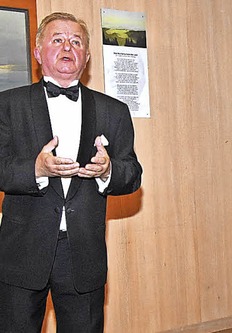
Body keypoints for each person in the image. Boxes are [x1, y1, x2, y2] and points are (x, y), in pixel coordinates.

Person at [0, 12, 143, 332]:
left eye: (76, 41)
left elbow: (132, 173)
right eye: (57, 39)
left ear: (87, 56)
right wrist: (35, 168)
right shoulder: (7, 105)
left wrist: (108, 170)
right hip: (22, 252)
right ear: (38, 52)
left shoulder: (114, 111)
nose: (68, 46)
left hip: (83, 254)